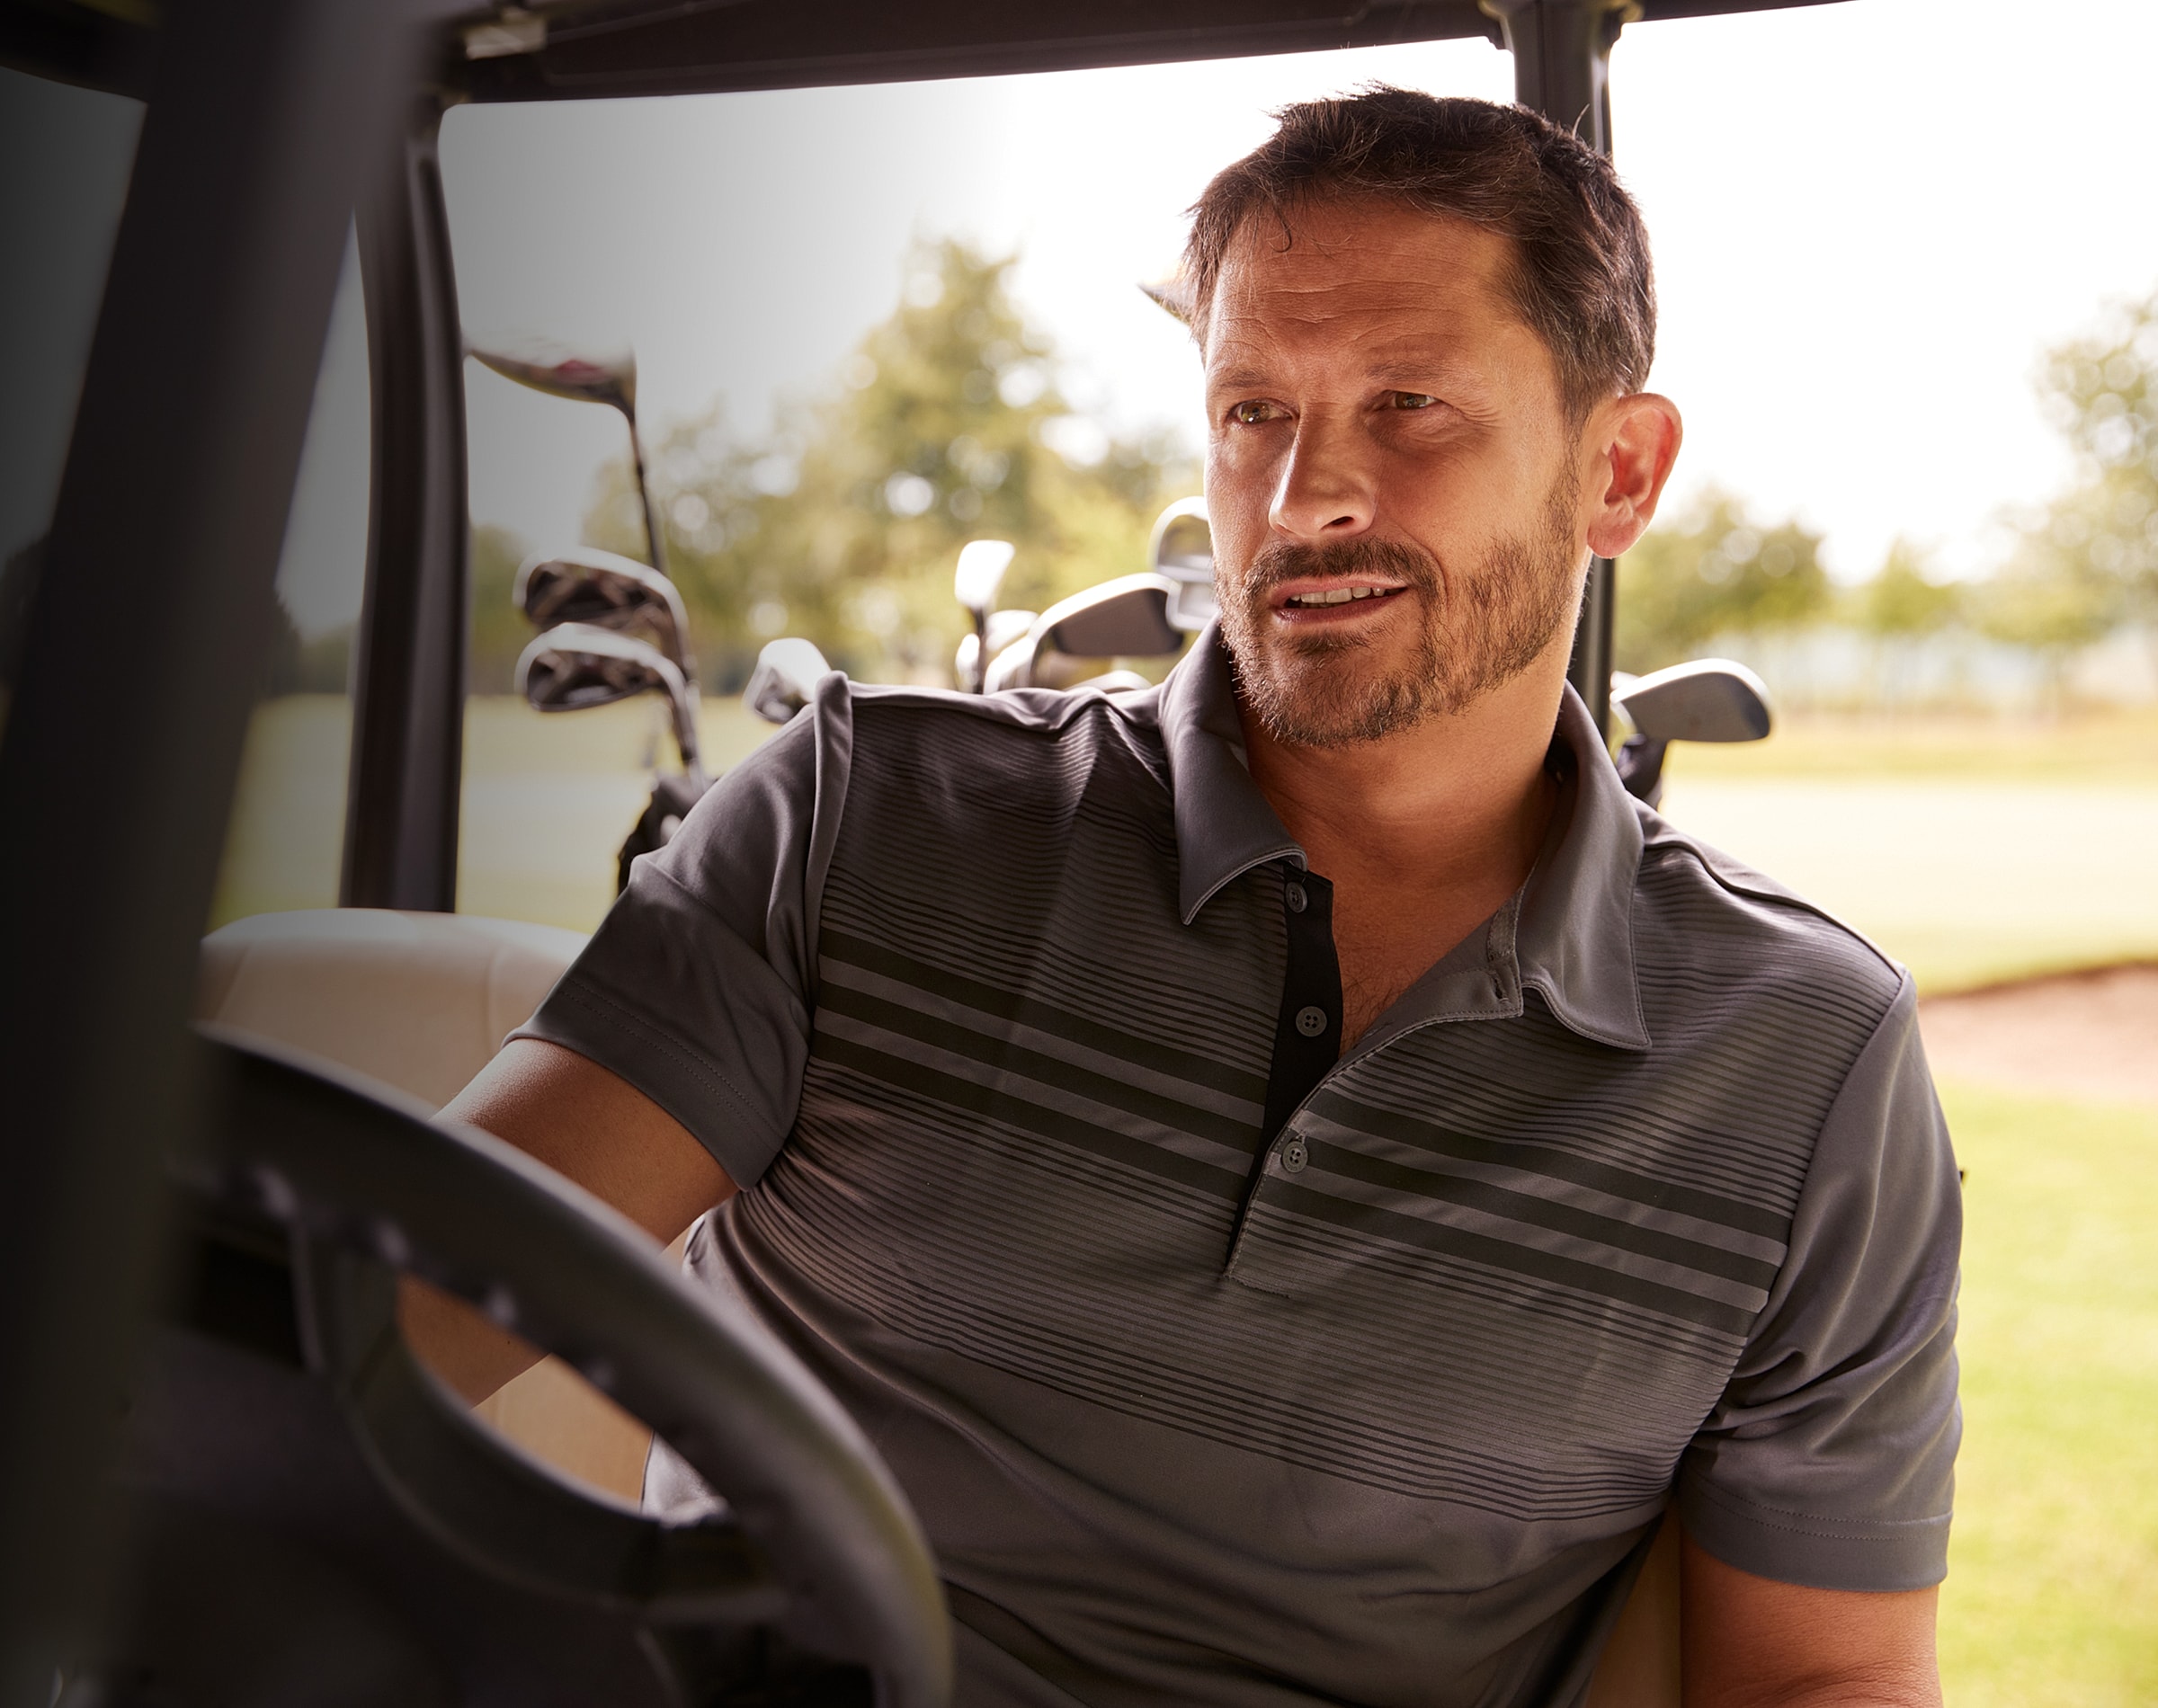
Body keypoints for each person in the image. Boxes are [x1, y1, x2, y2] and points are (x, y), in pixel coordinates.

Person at [411, 88, 1960, 1707]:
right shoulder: (858, 819)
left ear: (1619, 471)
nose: (1302, 501)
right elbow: (403, 1305)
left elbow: (1825, 1676)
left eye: (1410, 405)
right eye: (1249, 412)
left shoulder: (1808, 1061)